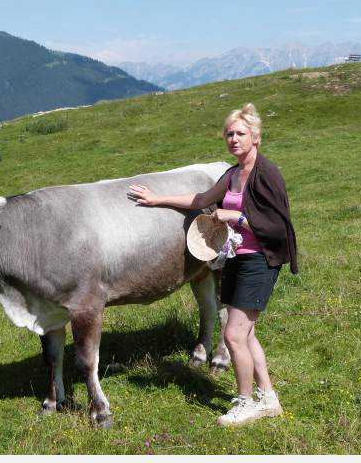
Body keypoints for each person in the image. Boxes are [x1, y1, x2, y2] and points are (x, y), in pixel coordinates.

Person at [127, 103, 298, 427]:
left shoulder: (267, 173)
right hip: (235, 257)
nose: (233, 139)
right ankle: (269, 397)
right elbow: (201, 200)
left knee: (233, 335)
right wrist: (156, 199)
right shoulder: (232, 174)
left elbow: (279, 226)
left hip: (260, 261)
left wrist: (238, 217)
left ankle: (245, 402)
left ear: (256, 137)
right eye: (229, 134)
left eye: (240, 133)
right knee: (247, 335)